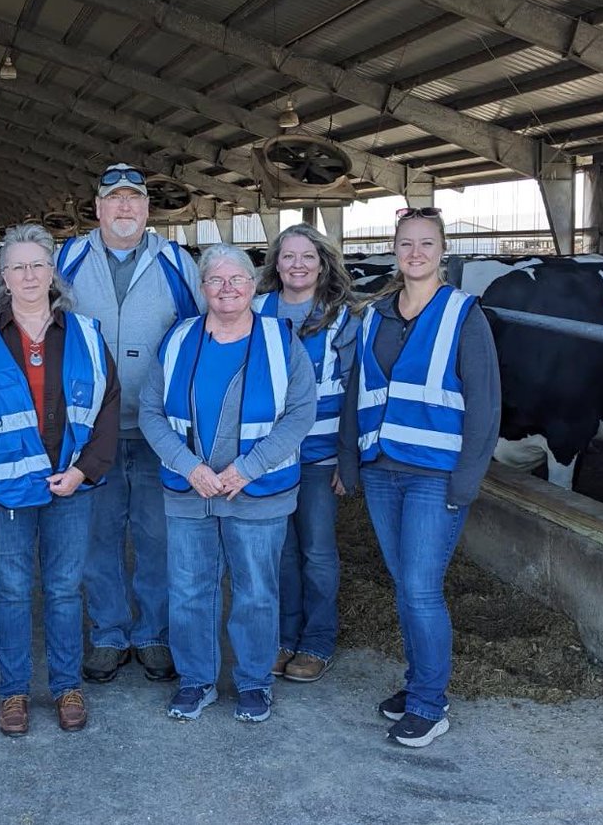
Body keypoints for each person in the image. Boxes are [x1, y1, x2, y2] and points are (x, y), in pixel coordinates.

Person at [336, 206, 500, 748]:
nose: (415, 253)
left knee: (421, 590)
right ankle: (416, 684)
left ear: (442, 251)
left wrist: (466, 482)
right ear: (394, 250)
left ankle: (432, 704)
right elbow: (357, 393)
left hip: (435, 475)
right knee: (406, 587)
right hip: (382, 470)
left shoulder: (463, 315)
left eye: (426, 244)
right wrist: (348, 463)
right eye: (406, 244)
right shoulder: (376, 313)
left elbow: (484, 405)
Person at [0, 224, 121, 736]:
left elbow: (109, 406)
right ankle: (14, 692)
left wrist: (85, 470)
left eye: (37, 265)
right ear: (4, 277)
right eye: (17, 267)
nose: (28, 275)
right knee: (10, 591)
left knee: (66, 590)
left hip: (70, 485)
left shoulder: (87, 334)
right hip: (5, 492)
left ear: (52, 273)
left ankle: (67, 686)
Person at [139, 243, 316, 723]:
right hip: (189, 490)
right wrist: (189, 466)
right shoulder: (178, 340)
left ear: (254, 285)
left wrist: (247, 468)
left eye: (237, 279)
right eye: (215, 281)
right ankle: (197, 680)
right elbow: (150, 412)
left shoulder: (281, 340)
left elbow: (301, 413)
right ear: (202, 289)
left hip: (257, 491)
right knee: (190, 588)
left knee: (256, 590)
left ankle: (254, 682)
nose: (227, 289)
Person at [56, 164, 201, 684]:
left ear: (146, 210)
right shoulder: (67, 258)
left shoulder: (177, 263)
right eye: (113, 199)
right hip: (90, 430)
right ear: (97, 208)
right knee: (98, 535)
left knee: (157, 535)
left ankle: (153, 634)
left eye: (133, 200)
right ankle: (109, 633)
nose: (123, 208)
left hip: (159, 431)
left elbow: (202, 336)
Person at [254, 223, 361, 684]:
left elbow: (356, 389)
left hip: (319, 455)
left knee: (317, 551)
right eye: (288, 256)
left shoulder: (342, 316)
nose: (297, 265)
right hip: (267, 457)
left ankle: (317, 641)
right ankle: (283, 636)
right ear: (275, 264)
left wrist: (346, 456)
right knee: (280, 552)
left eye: (307, 257)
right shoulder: (256, 309)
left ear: (323, 264)